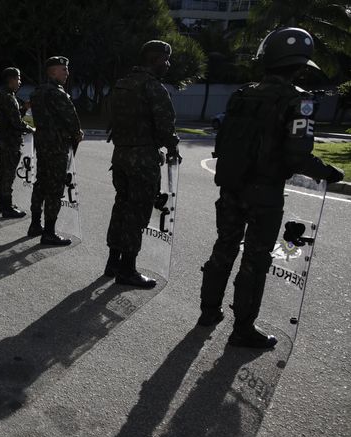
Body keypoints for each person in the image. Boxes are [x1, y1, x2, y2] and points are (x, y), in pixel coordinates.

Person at [197, 27, 344, 348]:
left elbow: (222, 142)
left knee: (224, 246)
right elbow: (296, 156)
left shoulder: (242, 94)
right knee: (255, 258)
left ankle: (208, 312)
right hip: (264, 193)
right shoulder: (298, 100)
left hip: (232, 186)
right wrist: (328, 172)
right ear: (299, 65)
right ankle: (243, 329)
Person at [104, 41, 179, 286]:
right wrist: (173, 147)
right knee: (137, 213)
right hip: (143, 159)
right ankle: (128, 270)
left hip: (121, 155)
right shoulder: (153, 87)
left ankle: (113, 262)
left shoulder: (122, 84)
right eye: (165, 60)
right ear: (156, 59)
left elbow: (113, 119)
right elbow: (165, 125)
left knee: (121, 207)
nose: (167, 65)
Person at [28, 56, 83, 245]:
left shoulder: (37, 92)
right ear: (52, 71)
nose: (67, 73)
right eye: (63, 70)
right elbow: (71, 119)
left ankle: (35, 224)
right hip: (57, 146)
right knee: (55, 188)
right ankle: (49, 232)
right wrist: (77, 133)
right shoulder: (58, 93)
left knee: (41, 183)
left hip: (42, 144)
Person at [0, 67, 35, 218]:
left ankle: (1, 203)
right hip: (11, 141)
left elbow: (11, 117)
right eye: (18, 78)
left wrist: (24, 108)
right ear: (10, 80)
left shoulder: (1, 95)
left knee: (3, 172)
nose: (20, 82)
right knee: (8, 174)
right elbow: (17, 123)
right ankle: (7, 207)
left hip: (6, 139)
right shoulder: (9, 98)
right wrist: (32, 129)